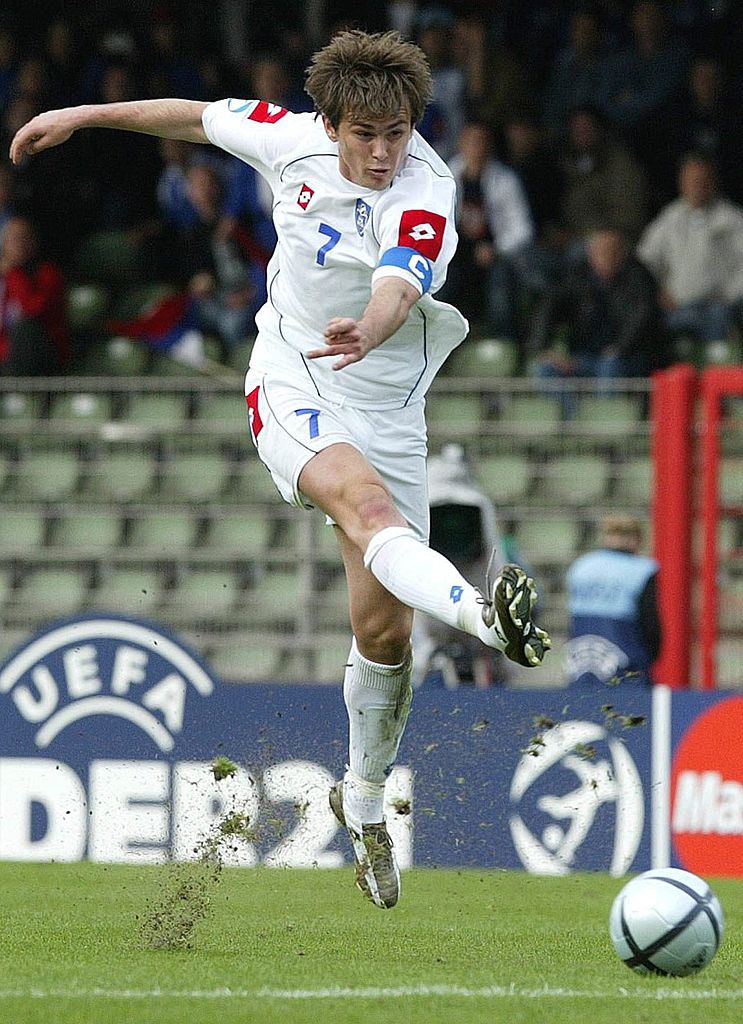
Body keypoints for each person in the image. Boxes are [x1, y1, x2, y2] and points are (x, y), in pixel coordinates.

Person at [11, 28, 550, 910]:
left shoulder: (426, 190)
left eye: (398, 133)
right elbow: (191, 117)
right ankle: (485, 619)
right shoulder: (287, 136)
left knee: (383, 637)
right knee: (368, 512)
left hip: (386, 403)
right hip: (292, 375)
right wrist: (82, 113)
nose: (383, 153)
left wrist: (369, 329)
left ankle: (362, 801)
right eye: (365, 135)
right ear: (329, 124)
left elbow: (398, 284)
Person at [528, 227, 665, 385]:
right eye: (601, 251)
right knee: (546, 369)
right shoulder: (577, 277)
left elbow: (642, 318)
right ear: (590, 254)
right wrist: (544, 349)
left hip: (626, 356)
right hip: (583, 356)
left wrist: (618, 350)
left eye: (614, 251)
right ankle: (569, 404)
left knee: (610, 367)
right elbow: (549, 308)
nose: (608, 257)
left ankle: (606, 403)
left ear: (624, 254)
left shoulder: (639, 278)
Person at [441, 121, 535, 340]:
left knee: (500, 291)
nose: (477, 148)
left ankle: (503, 345)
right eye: (471, 142)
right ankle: (442, 346)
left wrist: (496, 249)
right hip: (454, 254)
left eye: (481, 142)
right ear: (461, 144)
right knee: (439, 287)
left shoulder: (505, 180)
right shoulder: (444, 176)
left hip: (495, 254)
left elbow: (523, 229)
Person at [637, 152, 743, 347]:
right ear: (682, 182)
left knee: (719, 326)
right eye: (692, 180)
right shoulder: (670, 218)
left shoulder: (731, 218)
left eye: (703, 180)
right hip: (677, 309)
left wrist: (728, 296)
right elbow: (645, 261)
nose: (698, 185)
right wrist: (657, 291)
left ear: (713, 182)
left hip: (719, 310)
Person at [564, 515, 661, 688]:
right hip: (627, 654)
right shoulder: (643, 569)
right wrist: (652, 656)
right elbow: (650, 621)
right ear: (636, 539)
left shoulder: (581, 566)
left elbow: (571, 617)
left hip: (581, 656)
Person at [0, 215, 69, 375]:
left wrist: (13, 273)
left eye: (22, 238)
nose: (18, 244)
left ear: (33, 243)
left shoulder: (48, 274)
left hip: (41, 354)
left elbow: (32, 310)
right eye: (12, 239)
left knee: (25, 328)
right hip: (5, 356)